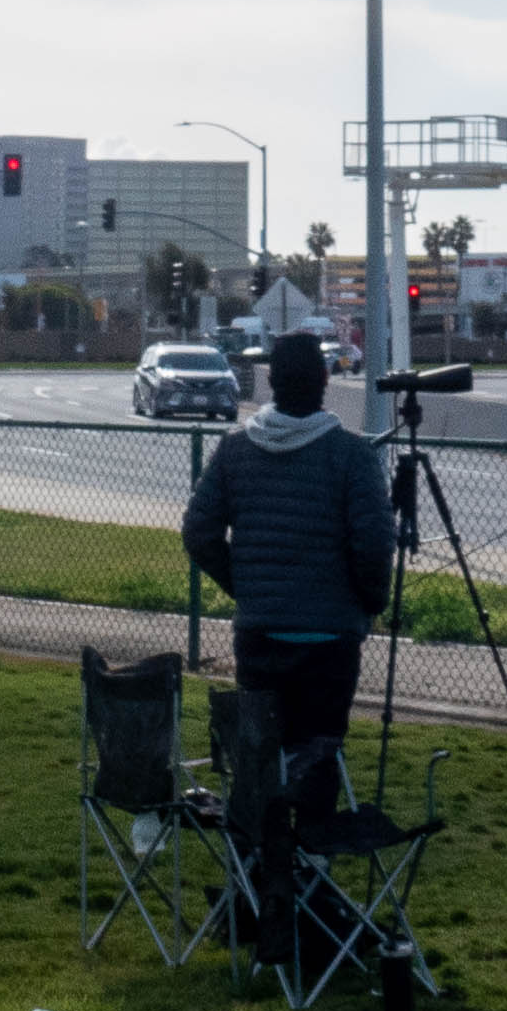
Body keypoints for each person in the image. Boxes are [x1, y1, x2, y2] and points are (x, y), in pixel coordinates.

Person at [179, 326, 394, 860]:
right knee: (317, 767)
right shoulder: (350, 455)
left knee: (259, 767)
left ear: (272, 382)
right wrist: (367, 601)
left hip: (261, 638)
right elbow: (373, 544)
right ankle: (310, 881)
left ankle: (258, 880)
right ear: (324, 382)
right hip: (329, 644)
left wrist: (246, 586)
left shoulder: (234, 452)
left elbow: (199, 534)